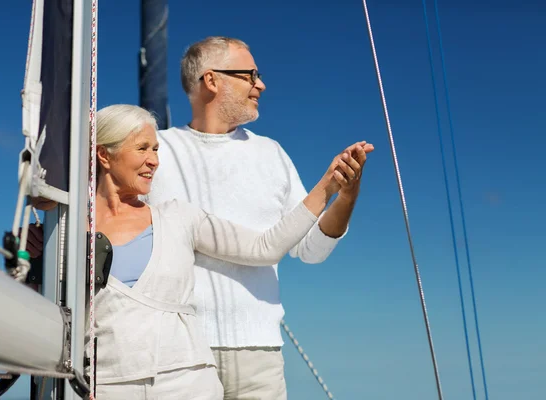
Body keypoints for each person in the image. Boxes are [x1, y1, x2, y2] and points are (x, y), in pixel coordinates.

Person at [28, 103, 370, 399]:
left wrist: (329, 188)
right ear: (104, 154)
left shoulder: (178, 217)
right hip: (106, 385)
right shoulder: (63, 228)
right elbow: (46, 310)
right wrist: (35, 254)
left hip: (188, 384)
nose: (154, 161)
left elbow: (267, 247)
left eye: (157, 150)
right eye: (143, 148)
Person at [142, 36, 374, 399]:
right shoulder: (156, 153)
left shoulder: (272, 154)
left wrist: (346, 194)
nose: (260, 85)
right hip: (176, 351)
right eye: (250, 75)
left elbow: (311, 249)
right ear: (212, 80)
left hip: (259, 357)